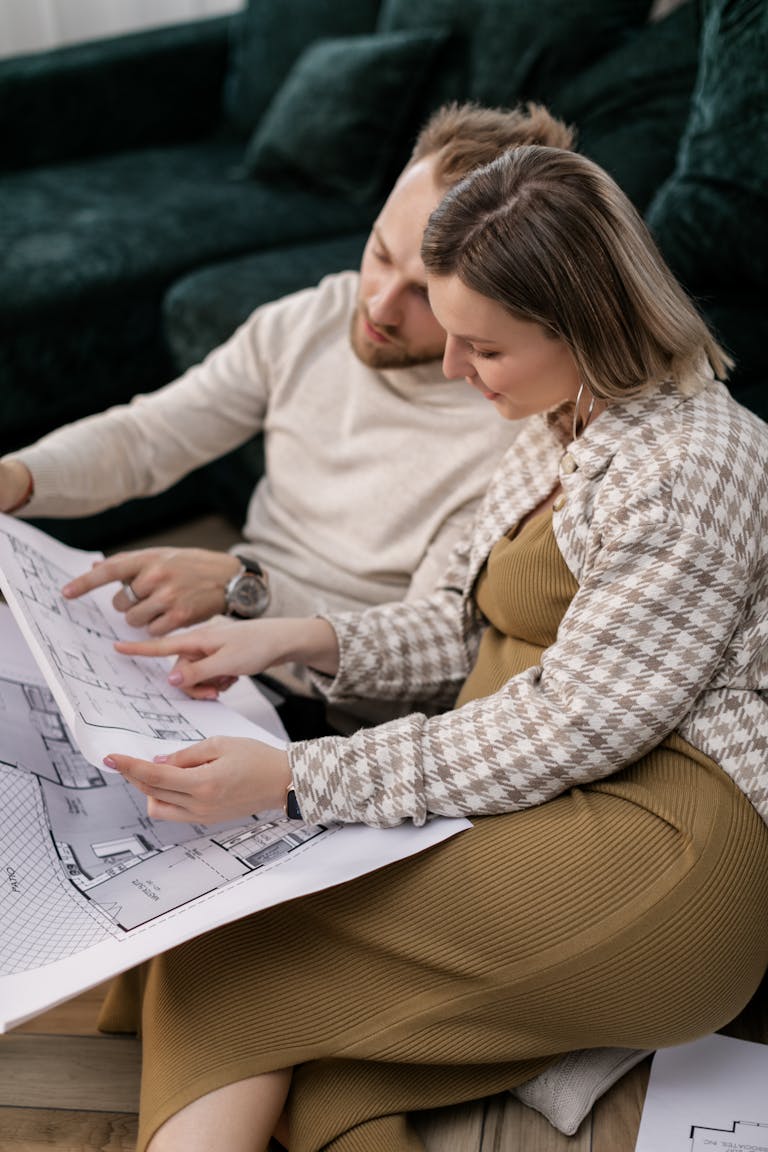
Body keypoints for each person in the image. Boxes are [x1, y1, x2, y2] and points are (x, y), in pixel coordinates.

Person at [101, 145, 768, 1152]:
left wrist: (292, 778)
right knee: (314, 1034)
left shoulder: (691, 467)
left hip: (663, 845)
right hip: (542, 798)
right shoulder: (560, 420)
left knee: (233, 933)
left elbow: (571, 727)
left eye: (484, 349)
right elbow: (460, 627)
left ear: (584, 324)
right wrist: (287, 636)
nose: (454, 370)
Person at [0, 103, 572, 643]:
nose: (377, 306)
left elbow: (429, 643)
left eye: (424, 294)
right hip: (228, 625)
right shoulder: (315, 317)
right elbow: (147, 437)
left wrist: (248, 588)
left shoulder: (512, 431)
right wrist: (19, 476)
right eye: (378, 254)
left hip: (326, 696)